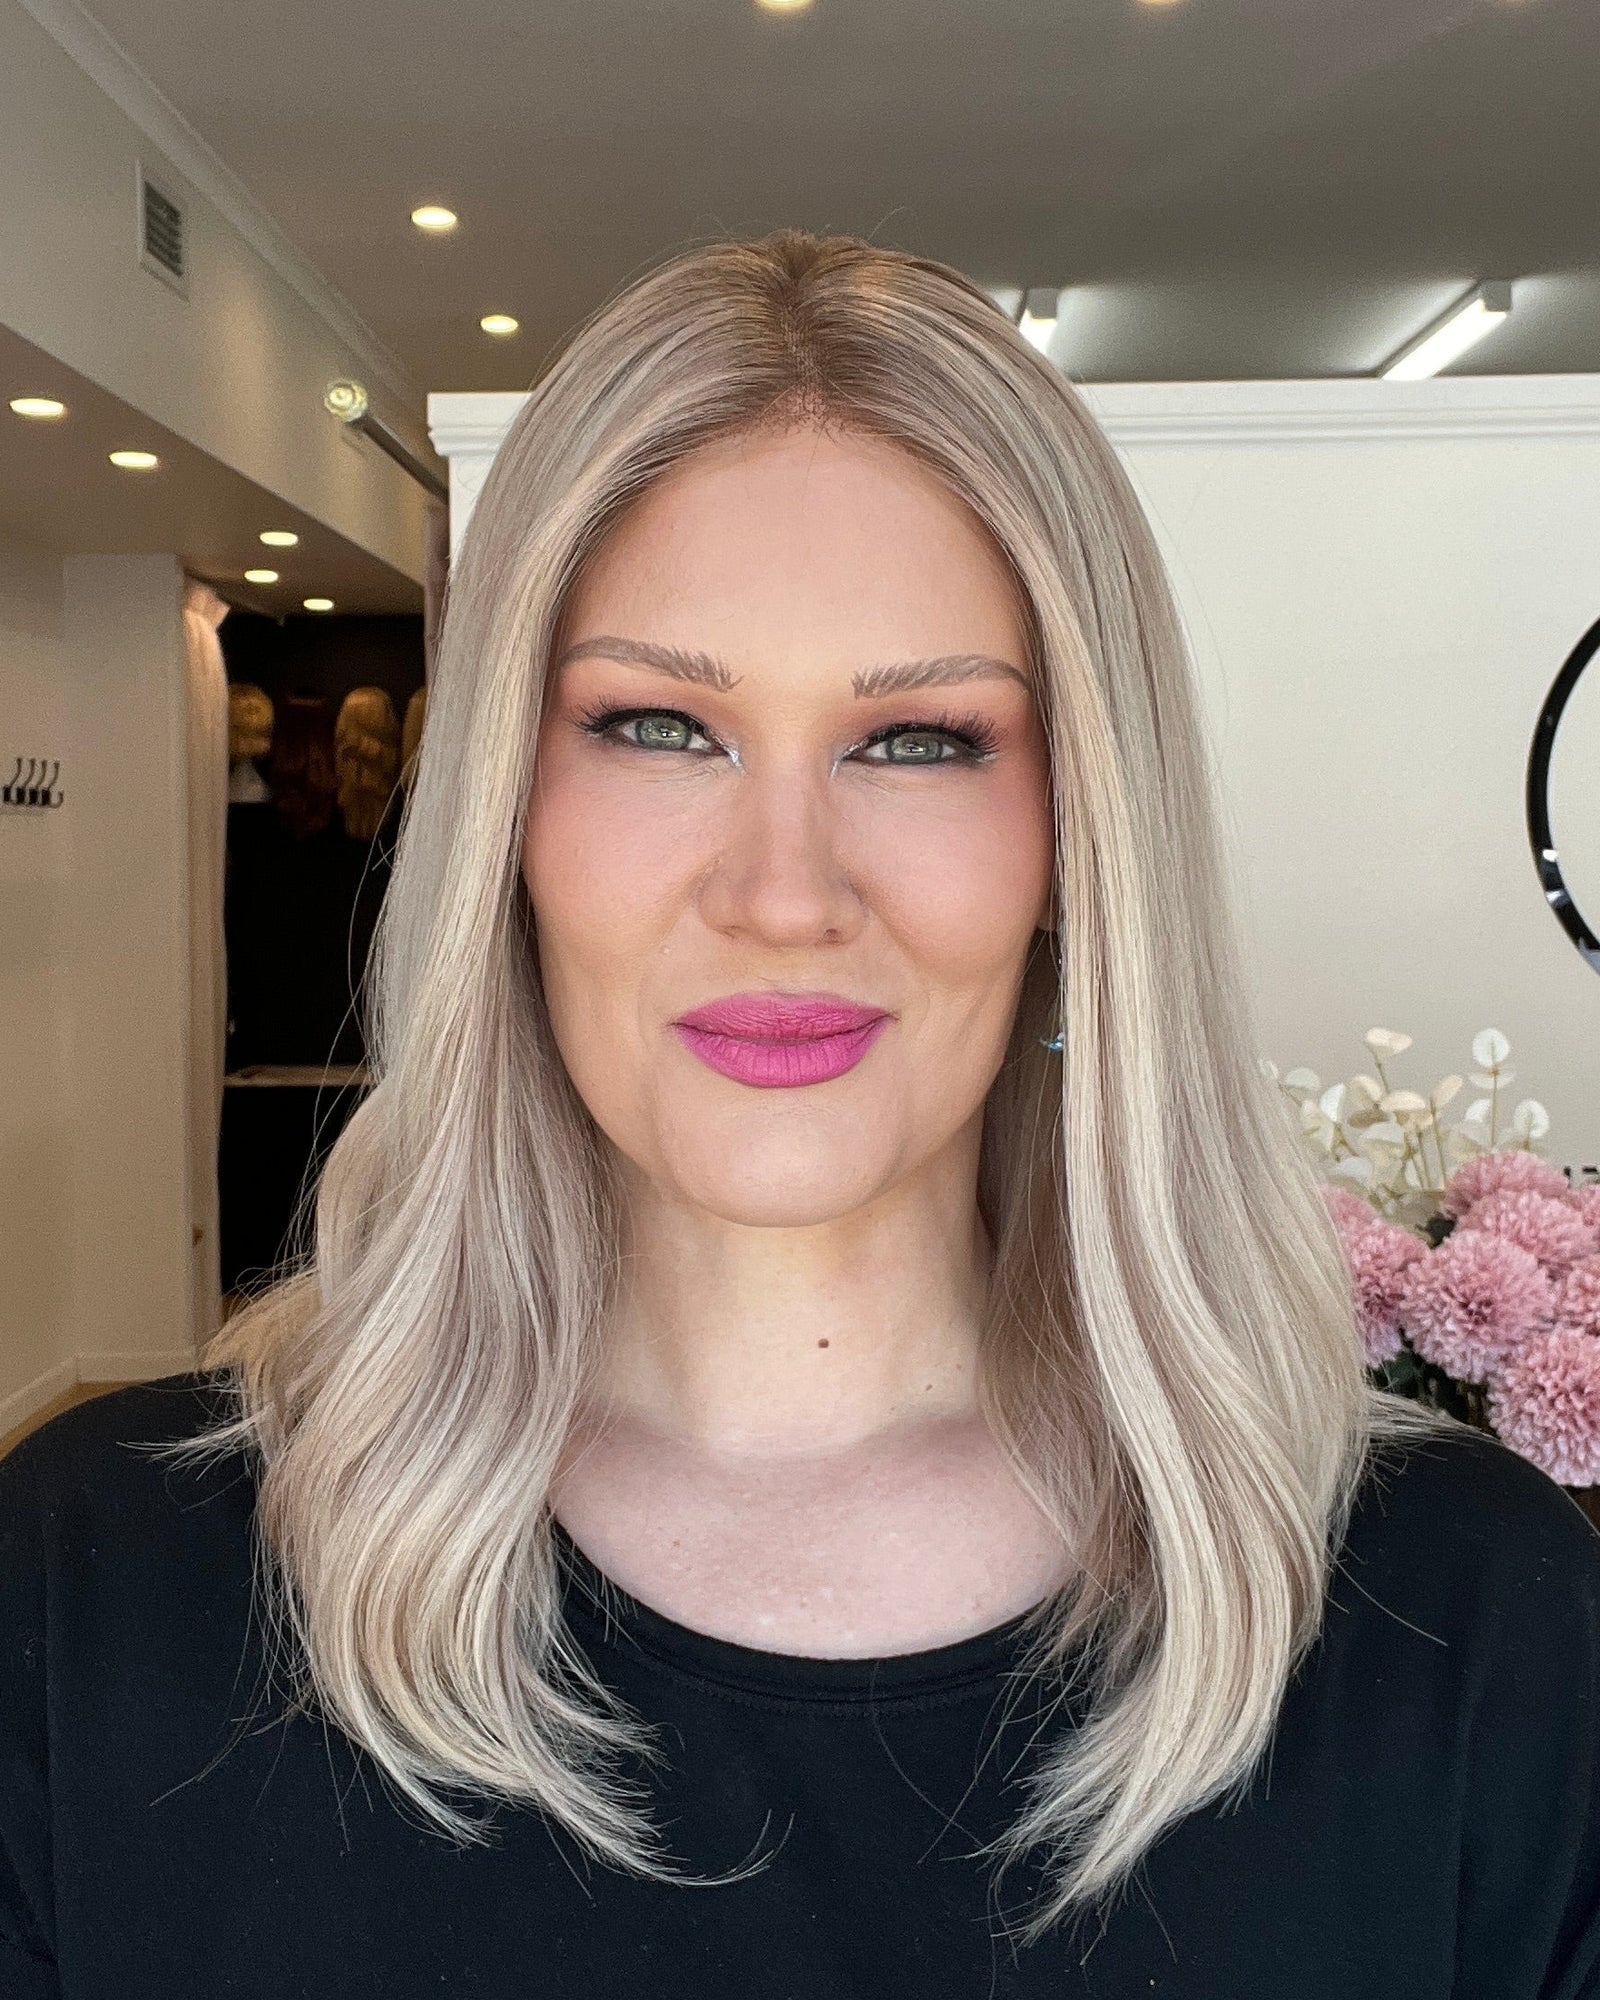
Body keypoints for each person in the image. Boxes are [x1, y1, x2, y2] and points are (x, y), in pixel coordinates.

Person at [3, 229, 1598, 1999]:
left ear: (1079, 833)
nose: (783, 892)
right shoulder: (88, 1598)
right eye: (659, 726)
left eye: (919, 741)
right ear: (504, 819)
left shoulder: (1478, 1636)